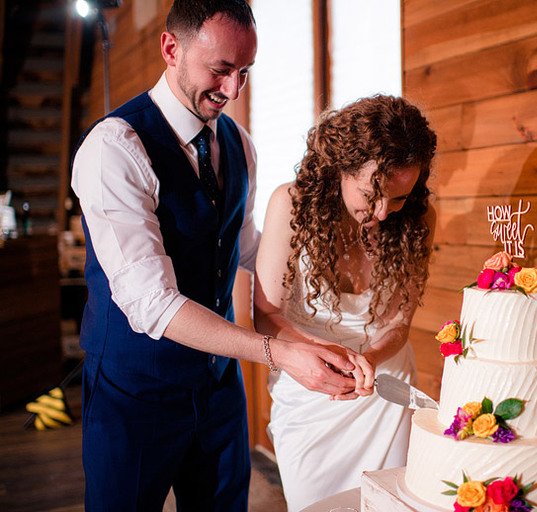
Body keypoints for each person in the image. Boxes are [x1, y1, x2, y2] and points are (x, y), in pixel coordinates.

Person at [70, 1, 366, 510]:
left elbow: (243, 246)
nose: (233, 90)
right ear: (171, 49)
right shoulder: (114, 147)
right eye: (221, 69)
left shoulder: (239, 144)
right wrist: (279, 354)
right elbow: (152, 304)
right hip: (135, 389)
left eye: (245, 72)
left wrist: (326, 284)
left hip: (218, 384)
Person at [254, 94, 438, 511]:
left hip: (384, 387)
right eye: (371, 194)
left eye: (398, 198)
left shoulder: (418, 221)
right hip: (309, 387)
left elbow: (399, 323)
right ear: (341, 166)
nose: (383, 212)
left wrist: (369, 359)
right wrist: (324, 354)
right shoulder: (290, 204)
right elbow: (265, 314)